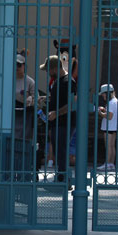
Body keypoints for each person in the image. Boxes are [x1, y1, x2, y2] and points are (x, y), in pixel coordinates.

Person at [39, 55, 71, 183]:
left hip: (63, 122)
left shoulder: (67, 81)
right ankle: (61, 177)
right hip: (58, 122)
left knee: (61, 150)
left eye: (48, 70)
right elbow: (59, 99)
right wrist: (46, 99)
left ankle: (64, 179)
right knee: (59, 149)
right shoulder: (59, 81)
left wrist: (57, 113)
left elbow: (72, 103)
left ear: (54, 69)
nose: (47, 73)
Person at [11, 54, 37, 180]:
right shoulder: (8, 79)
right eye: (15, 65)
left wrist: (30, 99)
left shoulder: (30, 81)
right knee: (11, 144)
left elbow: (35, 98)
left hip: (25, 115)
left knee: (23, 144)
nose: (17, 67)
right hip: (12, 114)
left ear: (24, 66)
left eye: (19, 65)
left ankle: (24, 173)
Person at [97, 83, 118, 171]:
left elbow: (109, 116)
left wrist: (100, 113)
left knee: (108, 146)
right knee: (112, 146)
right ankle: (111, 164)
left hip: (109, 127)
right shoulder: (115, 101)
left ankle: (107, 163)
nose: (102, 95)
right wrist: (104, 110)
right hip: (113, 127)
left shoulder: (111, 102)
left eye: (103, 93)